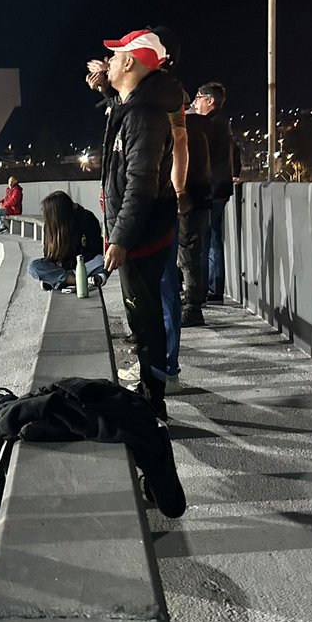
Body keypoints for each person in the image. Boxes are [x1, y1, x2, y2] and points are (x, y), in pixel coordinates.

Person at [96, 29, 187, 418]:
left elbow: (141, 184)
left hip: (141, 237)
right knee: (143, 320)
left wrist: (120, 237)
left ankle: (153, 405)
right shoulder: (136, 107)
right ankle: (151, 394)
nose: (110, 63)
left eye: (116, 57)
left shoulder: (144, 115)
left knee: (146, 322)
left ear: (131, 63)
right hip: (141, 234)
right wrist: (106, 89)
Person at [193, 82, 234, 303]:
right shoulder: (222, 122)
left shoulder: (211, 123)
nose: (195, 102)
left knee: (203, 241)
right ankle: (215, 290)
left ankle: (201, 291)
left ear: (210, 100)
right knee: (215, 241)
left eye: (198, 97)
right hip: (221, 188)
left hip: (211, 189)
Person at [27, 191, 106, 290]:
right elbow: (48, 254)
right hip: (64, 268)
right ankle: (74, 280)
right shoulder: (50, 225)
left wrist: (70, 265)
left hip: (83, 264)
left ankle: (59, 280)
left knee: (101, 261)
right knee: (33, 266)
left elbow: (95, 249)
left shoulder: (86, 218)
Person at [178, 108, 213, 328]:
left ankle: (193, 307)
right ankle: (192, 303)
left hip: (187, 200)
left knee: (188, 254)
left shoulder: (184, 131)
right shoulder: (200, 129)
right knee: (193, 252)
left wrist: (180, 193)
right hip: (201, 197)